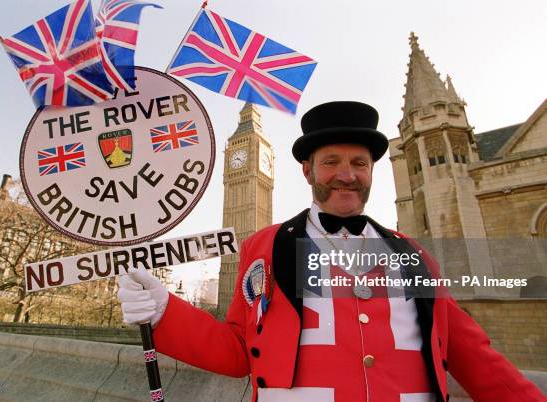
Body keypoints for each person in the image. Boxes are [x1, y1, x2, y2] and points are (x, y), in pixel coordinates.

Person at [118, 102, 544, 401]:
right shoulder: (264, 248)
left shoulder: (415, 255)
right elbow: (238, 351)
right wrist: (164, 312)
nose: (346, 175)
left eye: (359, 163)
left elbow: (476, 358)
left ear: (372, 171)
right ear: (307, 171)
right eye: (331, 162)